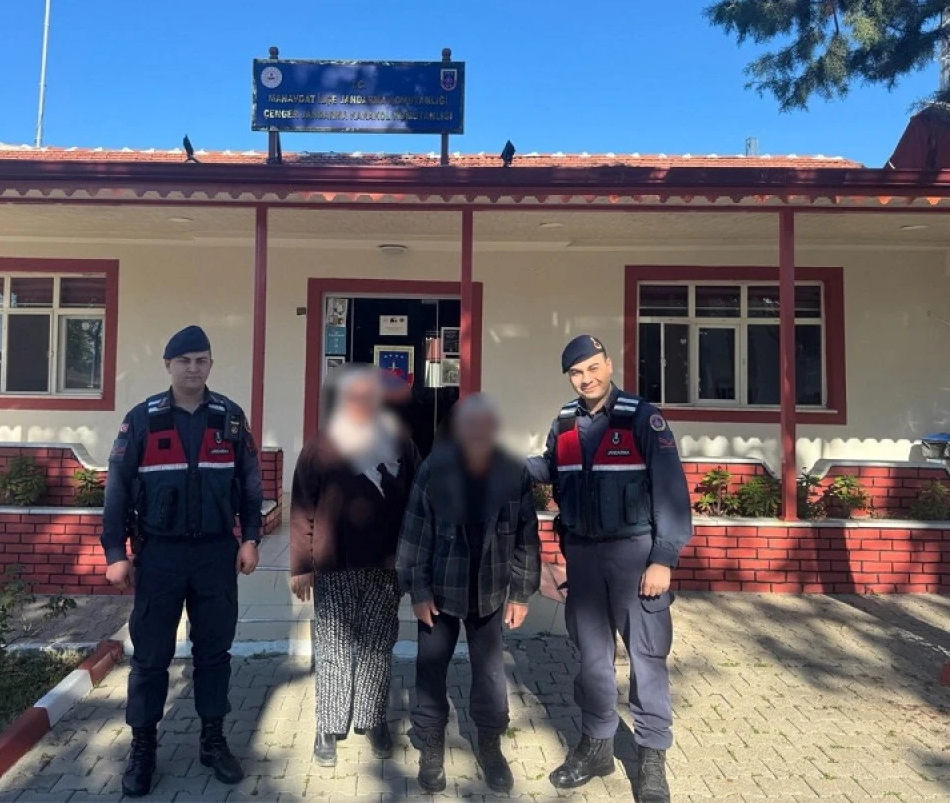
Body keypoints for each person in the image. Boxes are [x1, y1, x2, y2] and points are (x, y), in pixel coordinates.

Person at [527, 335, 693, 802]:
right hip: (582, 556)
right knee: (592, 656)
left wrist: (663, 558)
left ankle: (652, 757)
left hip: (634, 556)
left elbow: (671, 491)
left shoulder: (642, 418)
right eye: (577, 372)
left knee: (647, 655)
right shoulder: (564, 422)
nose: (587, 379)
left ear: (609, 365)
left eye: (593, 368)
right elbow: (551, 469)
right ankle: (597, 745)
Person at [101, 325, 262, 797]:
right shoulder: (142, 420)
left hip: (216, 554)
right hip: (160, 556)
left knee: (214, 653)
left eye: (201, 360)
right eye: (184, 361)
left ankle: (212, 741)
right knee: (151, 657)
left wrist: (251, 538)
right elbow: (117, 490)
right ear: (168, 365)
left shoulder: (230, 418)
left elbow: (251, 486)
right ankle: (143, 748)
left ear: (210, 365)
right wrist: (115, 553)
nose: (193, 369)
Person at [396, 393, 540, 794]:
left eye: (484, 425)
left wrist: (521, 594)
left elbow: (527, 537)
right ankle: (431, 741)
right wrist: (418, 590)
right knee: (430, 669)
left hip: (490, 590)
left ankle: (490, 743)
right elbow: (414, 534)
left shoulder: (513, 472)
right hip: (441, 590)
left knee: (491, 672)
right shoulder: (434, 468)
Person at [289, 365, 421, 767]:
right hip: (335, 564)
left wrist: (416, 559)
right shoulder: (321, 445)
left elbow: (418, 502)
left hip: (387, 564)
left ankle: (372, 718)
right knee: (334, 646)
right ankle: (328, 726)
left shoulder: (401, 443)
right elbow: (303, 506)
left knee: (377, 646)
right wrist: (301, 564)